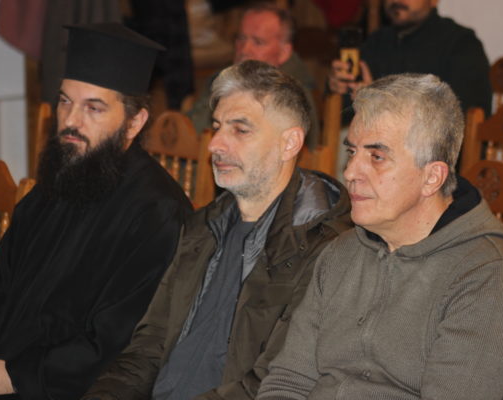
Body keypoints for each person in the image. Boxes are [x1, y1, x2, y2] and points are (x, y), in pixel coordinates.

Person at [0, 23, 192, 400]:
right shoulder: (58, 181)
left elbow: (119, 347)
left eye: (93, 108)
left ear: (134, 122)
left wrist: (14, 377)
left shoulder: (158, 214)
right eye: (65, 101)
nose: (70, 121)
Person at [82, 60, 352, 400]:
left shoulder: (323, 247)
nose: (215, 144)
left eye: (240, 130)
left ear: (289, 143)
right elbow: (149, 347)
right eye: (217, 127)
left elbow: (270, 382)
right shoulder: (202, 227)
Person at [257, 73, 503, 399]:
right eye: (352, 152)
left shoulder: (487, 280)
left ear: (432, 177)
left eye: (377, 157)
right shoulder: (341, 253)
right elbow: (288, 381)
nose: (350, 172)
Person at [188, 2, 321, 149]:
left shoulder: (293, 98)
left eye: (258, 42)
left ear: (284, 52)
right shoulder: (220, 79)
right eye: (241, 38)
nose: (245, 49)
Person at [329, 0, 492, 117]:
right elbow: (343, 114)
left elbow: (459, 119)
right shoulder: (376, 41)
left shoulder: (461, 44)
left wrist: (379, 102)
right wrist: (337, 88)